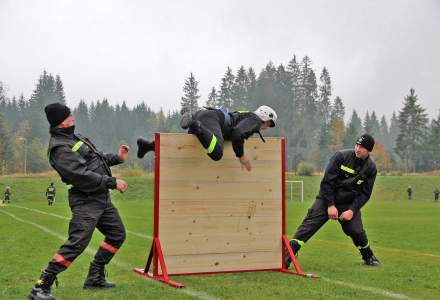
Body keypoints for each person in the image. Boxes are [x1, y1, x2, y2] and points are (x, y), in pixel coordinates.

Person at [29, 103, 130, 300]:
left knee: (117, 234)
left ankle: (94, 277)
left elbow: (97, 160)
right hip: (85, 201)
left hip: (101, 198)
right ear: (61, 121)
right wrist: (111, 182)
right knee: (77, 243)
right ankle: (40, 287)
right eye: (69, 114)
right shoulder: (59, 147)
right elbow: (79, 175)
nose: (72, 116)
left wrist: (117, 158)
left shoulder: (74, 137)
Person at [286, 134, 380, 267]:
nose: (358, 149)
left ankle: (368, 256)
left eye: (362, 147)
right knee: (308, 226)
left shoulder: (371, 168)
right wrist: (330, 205)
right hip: (327, 198)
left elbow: (365, 194)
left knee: (356, 231)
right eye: (357, 145)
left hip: (348, 203)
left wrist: (352, 210)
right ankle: (287, 255)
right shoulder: (340, 156)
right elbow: (326, 183)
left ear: (368, 150)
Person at [137, 105, 277, 171]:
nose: (265, 128)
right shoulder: (255, 120)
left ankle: (148, 146)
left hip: (206, 116)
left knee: (185, 149)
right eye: (268, 125)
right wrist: (241, 156)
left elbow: (234, 132)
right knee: (216, 153)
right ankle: (195, 124)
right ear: (265, 119)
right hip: (211, 119)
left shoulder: (247, 117)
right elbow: (237, 133)